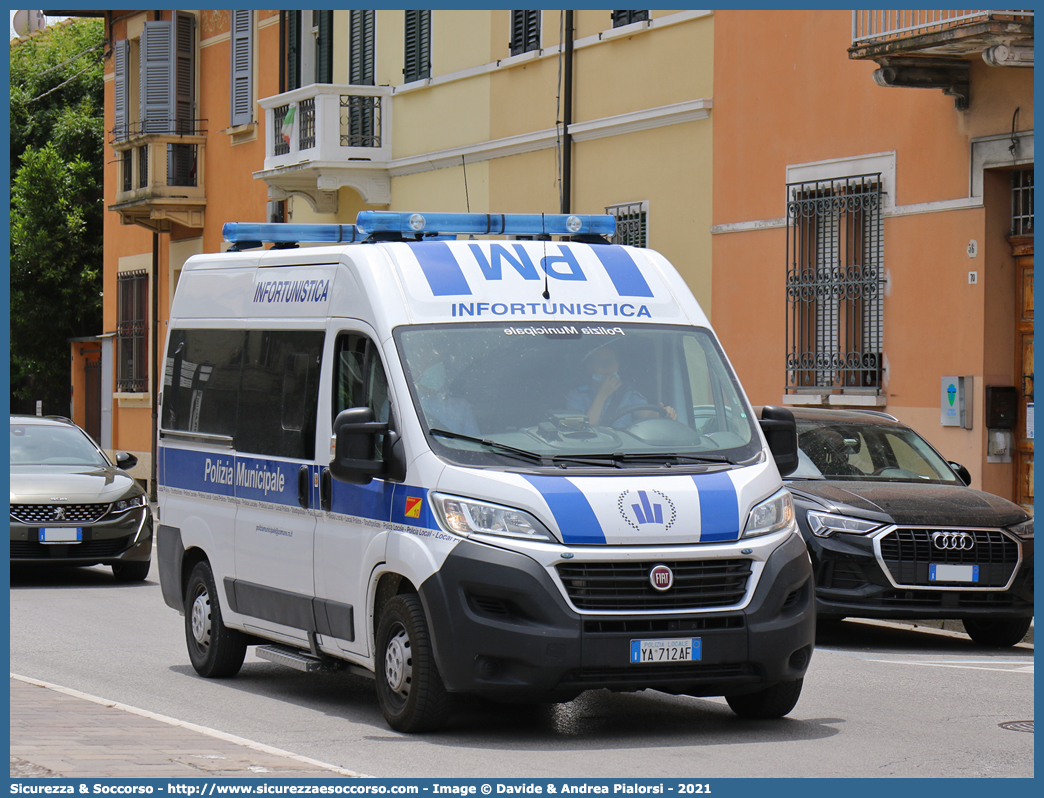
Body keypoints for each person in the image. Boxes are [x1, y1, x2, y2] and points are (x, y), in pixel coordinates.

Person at [565, 345, 677, 428]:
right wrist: (602, 395)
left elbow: (646, 414)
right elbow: (583, 429)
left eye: (610, 362)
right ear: (589, 367)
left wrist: (662, 413)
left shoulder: (628, 393)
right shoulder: (577, 395)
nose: (607, 366)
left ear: (618, 366)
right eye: (601, 362)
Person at [410, 347, 480, 437]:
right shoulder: (402, 402)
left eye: (437, 362)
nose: (436, 368)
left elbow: (473, 442)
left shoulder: (460, 406)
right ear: (416, 369)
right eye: (428, 363)